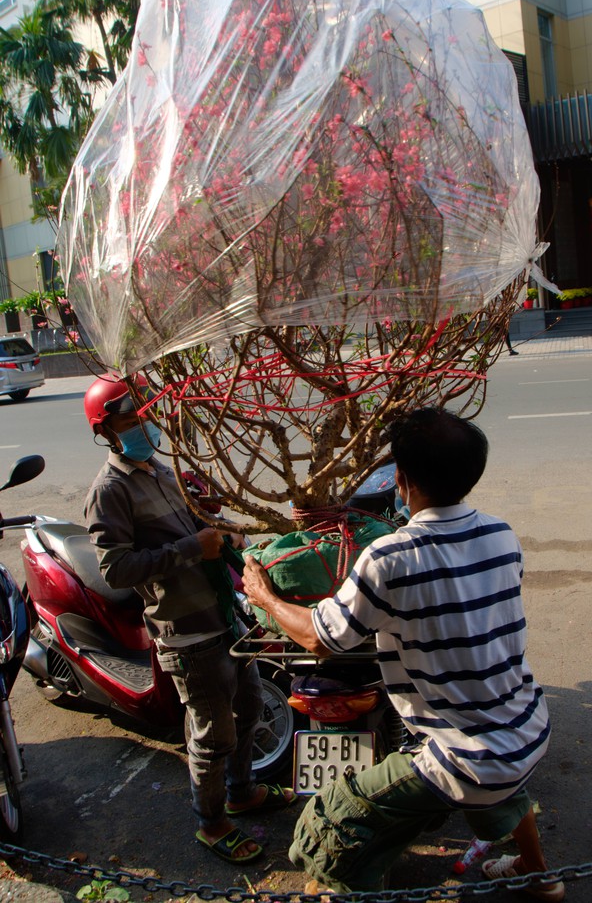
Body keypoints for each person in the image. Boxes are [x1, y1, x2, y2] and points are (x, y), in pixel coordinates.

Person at [242, 407, 564, 900]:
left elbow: (320, 638)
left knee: (328, 822)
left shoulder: (391, 556)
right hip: (527, 728)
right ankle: (539, 873)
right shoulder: (501, 534)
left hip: (464, 757)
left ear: (400, 478)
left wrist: (264, 597)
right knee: (503, 786)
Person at [83, 374, 295, 865]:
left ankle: (242, 792)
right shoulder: (109, 491)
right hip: (186, 632)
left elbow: (204, 521)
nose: (145, 424)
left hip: (225, 615)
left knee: (248, 709)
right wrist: (188, 548)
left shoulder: (161, 469)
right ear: (107, 431)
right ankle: (212, 821)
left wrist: (218, 523)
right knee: (212, 732)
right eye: (132, 418)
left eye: (148, 413)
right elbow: (115, 568)